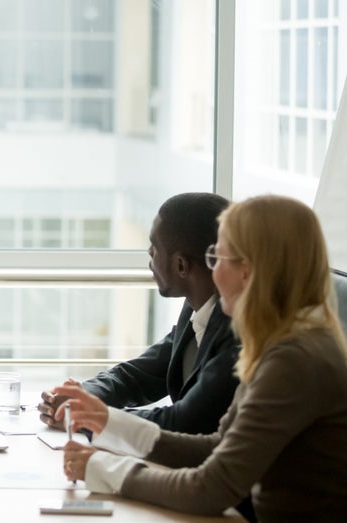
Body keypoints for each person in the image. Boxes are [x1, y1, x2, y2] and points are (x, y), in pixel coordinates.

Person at [56, 195, 347, 521]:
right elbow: (216, 446)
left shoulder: (294, 360)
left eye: (216, 257)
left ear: (247, 272)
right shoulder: (287, 340)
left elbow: (210, 488)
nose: (212, 273)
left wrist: (102, 468)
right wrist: (108, 421)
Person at [38, 192, 239, 434]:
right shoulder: (196, 307)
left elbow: (185, 421)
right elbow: (139, 375)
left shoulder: (237, 331)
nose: (149, 253)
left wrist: (90, 418)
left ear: (181, 266)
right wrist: (83, 396)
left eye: (155, 247)